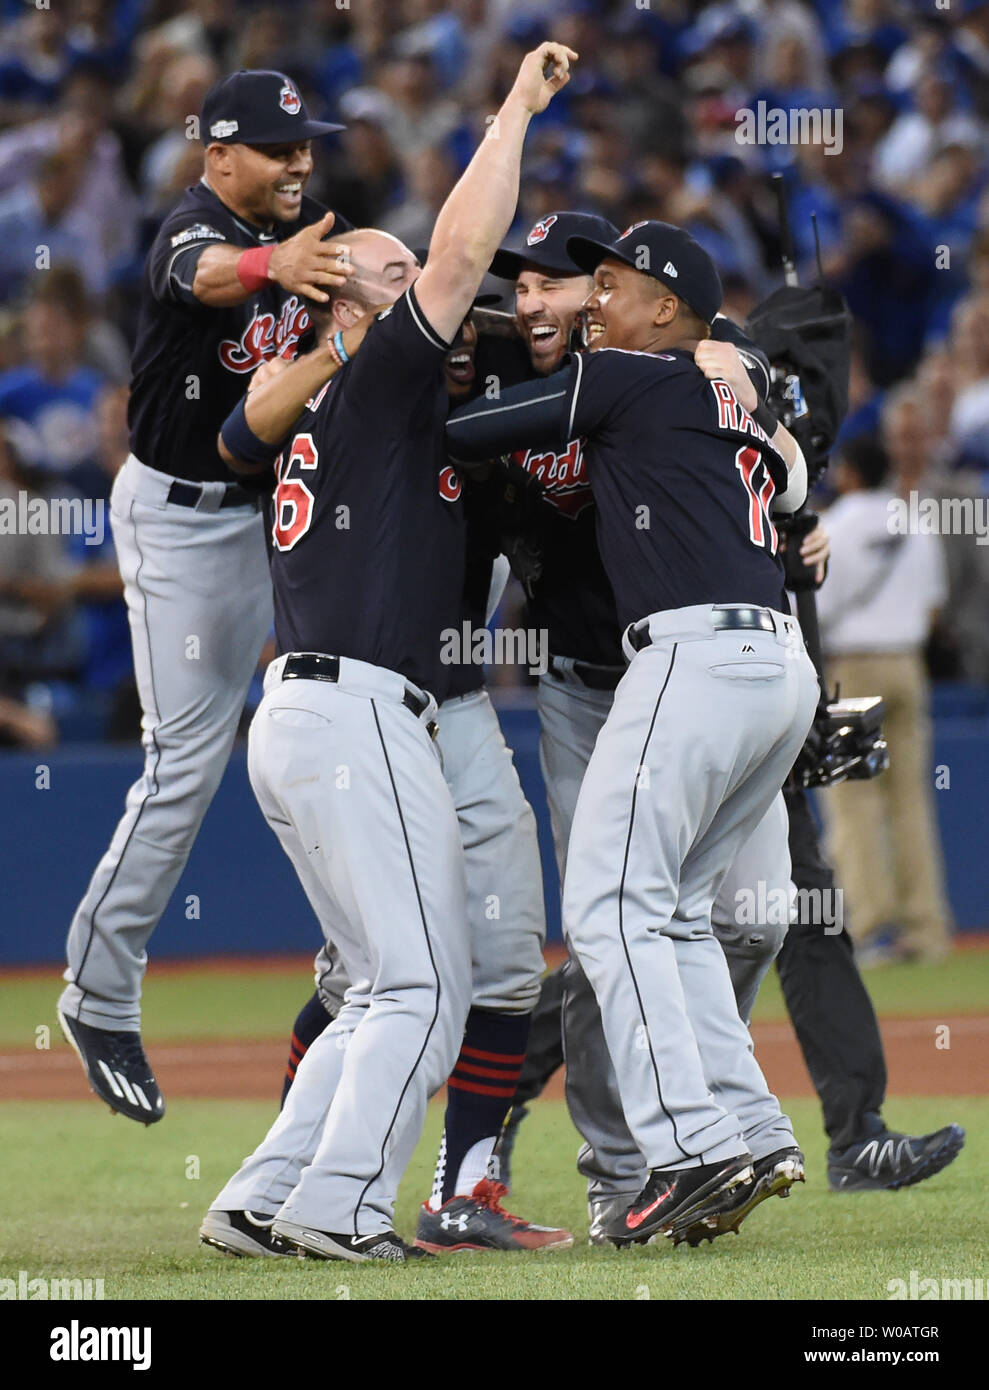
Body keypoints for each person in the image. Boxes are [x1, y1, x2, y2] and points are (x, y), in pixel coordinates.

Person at [198, 40, 577, 1265]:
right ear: (344, 303)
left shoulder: (335, 398)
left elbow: (241, 429)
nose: (423, 279)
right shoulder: (367, 374)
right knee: (422, 982)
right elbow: (469, 247)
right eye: (391, 270)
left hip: (309, 712)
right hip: (357, 712)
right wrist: (513, 107)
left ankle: (262, 1194)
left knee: (374, 986)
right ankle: (342, 1206)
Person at [447, 220, 820, 1246]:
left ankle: (693, 1148)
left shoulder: (627, 375)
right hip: (773, 662)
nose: (588, 299)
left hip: (685, 658)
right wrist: (736, 369)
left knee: (614, 907)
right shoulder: (713, 390)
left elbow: (462, 434)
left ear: (664, 310)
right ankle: (750, 1127)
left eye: (605, 284)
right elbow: (787, 483)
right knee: (678, 915)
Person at [56, 69, 355, 1125]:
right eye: (279, 148)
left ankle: (358, 956)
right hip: (183, 519)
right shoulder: (193, 224)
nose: (299, 162)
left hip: (277, 508)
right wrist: (289, 262)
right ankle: (96, 991)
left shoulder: (310, 233)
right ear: (218, 153)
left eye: (304, 144)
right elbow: (205, 275)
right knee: (185, 759)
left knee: (328, 723)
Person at [817, 427, 953, 963]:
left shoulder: (835, 526)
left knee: (854, 801)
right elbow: (934, 606)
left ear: (849, 472)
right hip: (907, 666)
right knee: (910, 801)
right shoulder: (916, 521)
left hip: (855, 667)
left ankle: (870, 927)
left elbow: (818, 609)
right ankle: (926, 931)